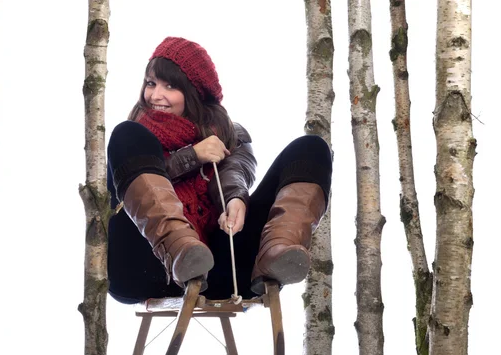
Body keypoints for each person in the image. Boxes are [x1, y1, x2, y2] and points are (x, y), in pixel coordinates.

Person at [106, 37, 332, 304]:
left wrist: (236, 199)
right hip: (144, 269)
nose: (156, 95)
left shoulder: (228, 134)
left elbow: (234, 169)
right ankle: (181, 253)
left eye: (170, 86)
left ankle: (275, 255)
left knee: (311, 148)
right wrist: (193, 156)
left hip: (221, 272)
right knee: (127, 135)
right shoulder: (134, 137)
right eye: (151, 83)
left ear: (195, 92)